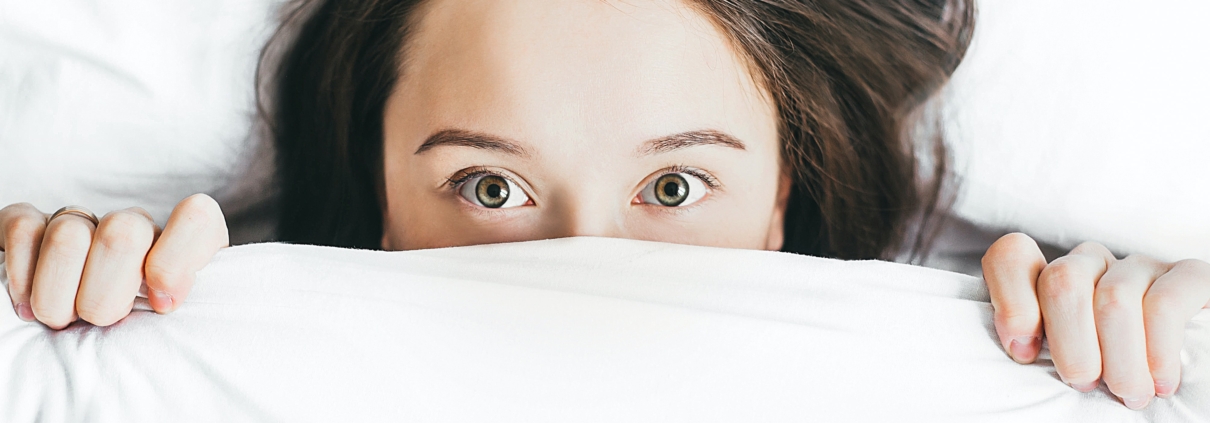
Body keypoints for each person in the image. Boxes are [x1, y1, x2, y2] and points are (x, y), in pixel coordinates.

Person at [0, 0, 1206, 410]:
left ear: (780, 196)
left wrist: (1162, 335)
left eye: (674, 187)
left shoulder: (999, 348)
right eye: (489, 187)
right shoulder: (185, 349)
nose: (585, 266)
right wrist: (54, 295)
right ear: (375, 199)